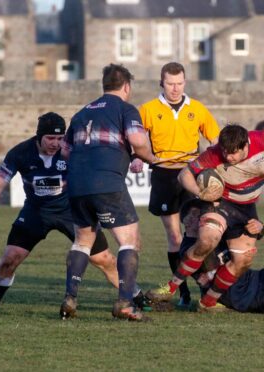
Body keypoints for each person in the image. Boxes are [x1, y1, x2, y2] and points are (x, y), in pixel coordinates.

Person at [146, 124, 264, 311]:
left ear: (246, 145)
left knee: (243, 260)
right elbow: (184, 175)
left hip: (246, 208)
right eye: (225, 152)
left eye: (233, 153)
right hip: (221, 203)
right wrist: (201, 193)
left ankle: (208, 303)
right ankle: (170, 288)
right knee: (207, 240)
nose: (228, 157)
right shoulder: (214, 154)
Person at [0, 113, 118, 314]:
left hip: (71, 210)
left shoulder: (72, 150)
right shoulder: (20, 153)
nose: (56, 143)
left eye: (60, 138)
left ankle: (134, 297)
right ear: (39, 136)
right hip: (36, 212)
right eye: (50, 138)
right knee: (10, 258)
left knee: (104, 259)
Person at [60, 64, 159, 321]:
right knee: (130, 241)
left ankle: (70, 297)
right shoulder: (126, 109)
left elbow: (65, 151)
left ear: (104, 85)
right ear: (127, 87)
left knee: (82, 242)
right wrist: (152, 159)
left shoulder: (81, 113)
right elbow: (137, 141)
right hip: (107, 183)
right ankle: (125, 303)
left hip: (77, 185)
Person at [139, 62, 220, 309]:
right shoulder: (148, 110)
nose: (175, 88)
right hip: (164, 175)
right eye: (170, 83)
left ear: (185, 82)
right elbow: (137, 141)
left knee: (197, 234)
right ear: (161, 83)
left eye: (179, 83)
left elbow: (215, 140)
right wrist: (136, 157)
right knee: (174, 237)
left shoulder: (197, 108)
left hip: (192, 176)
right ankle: (181, 292)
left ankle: (209, 288)